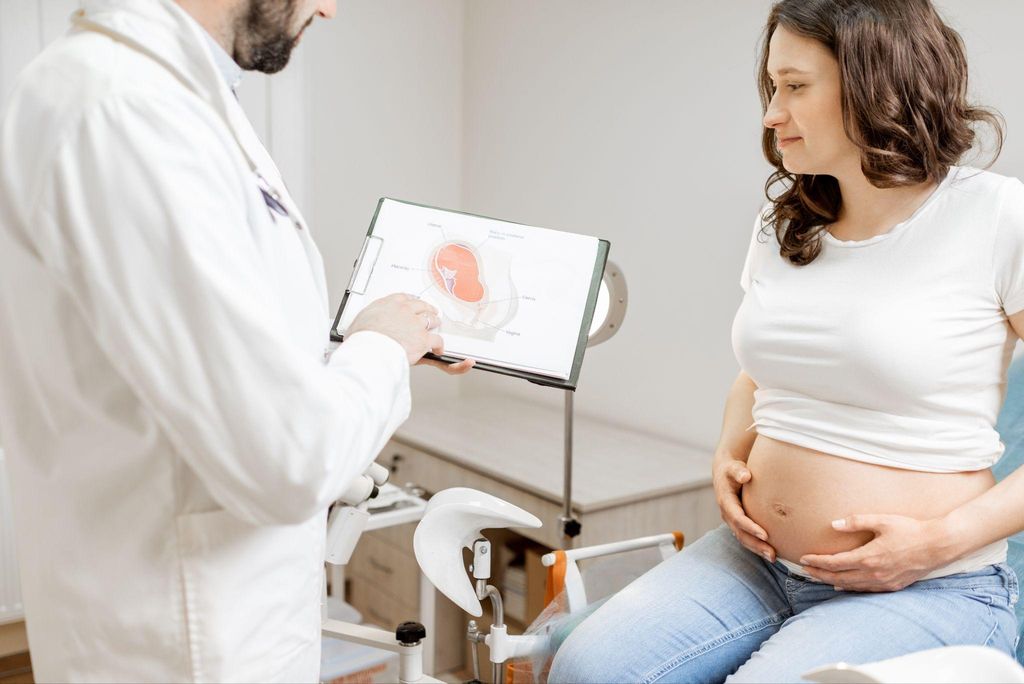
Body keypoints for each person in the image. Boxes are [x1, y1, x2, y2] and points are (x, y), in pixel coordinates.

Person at [549, 1, 1024, 682]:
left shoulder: (994, 216)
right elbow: (760, 375)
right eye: (772, 87)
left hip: (928, 583)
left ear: (879, 83)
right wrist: (726, 452)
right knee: (587, 668)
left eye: (796, 87)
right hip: (759, 564)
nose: (772, 114)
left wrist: (934, 543)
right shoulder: (787, 223)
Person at [0, 0, 472, 681]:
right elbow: (286, 458)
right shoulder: (125, 110)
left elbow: (217, 355)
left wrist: (356, 354)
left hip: (215, 605)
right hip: (179, 638)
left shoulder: (177, 96)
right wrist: (378, 351)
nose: (328, 9)